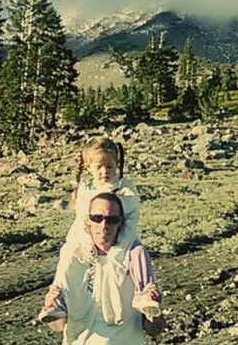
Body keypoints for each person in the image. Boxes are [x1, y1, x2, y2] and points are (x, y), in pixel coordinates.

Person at [46, 192, 164, 345]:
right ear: (87, 220)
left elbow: (154, 329)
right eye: (97, 218)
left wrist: (154, 313)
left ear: (121, 223)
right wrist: (51, 303)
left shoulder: (134, 259)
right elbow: (58, 325)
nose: (104, 226)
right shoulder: (72, 259)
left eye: (111, 219)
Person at [38, 136, 157, 324]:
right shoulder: (85, 191)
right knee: (68, 253)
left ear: (116, 165)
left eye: (109, 166)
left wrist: (119, 246)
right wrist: (87, 245)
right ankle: (57, 296)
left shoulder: (124, 189)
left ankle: (145, 292)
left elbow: (131, 220)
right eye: (99, 167)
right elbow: (82, 222)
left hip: (121, 238)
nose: (105, 172)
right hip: (87, 240)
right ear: (88, 168)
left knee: (139, 252)